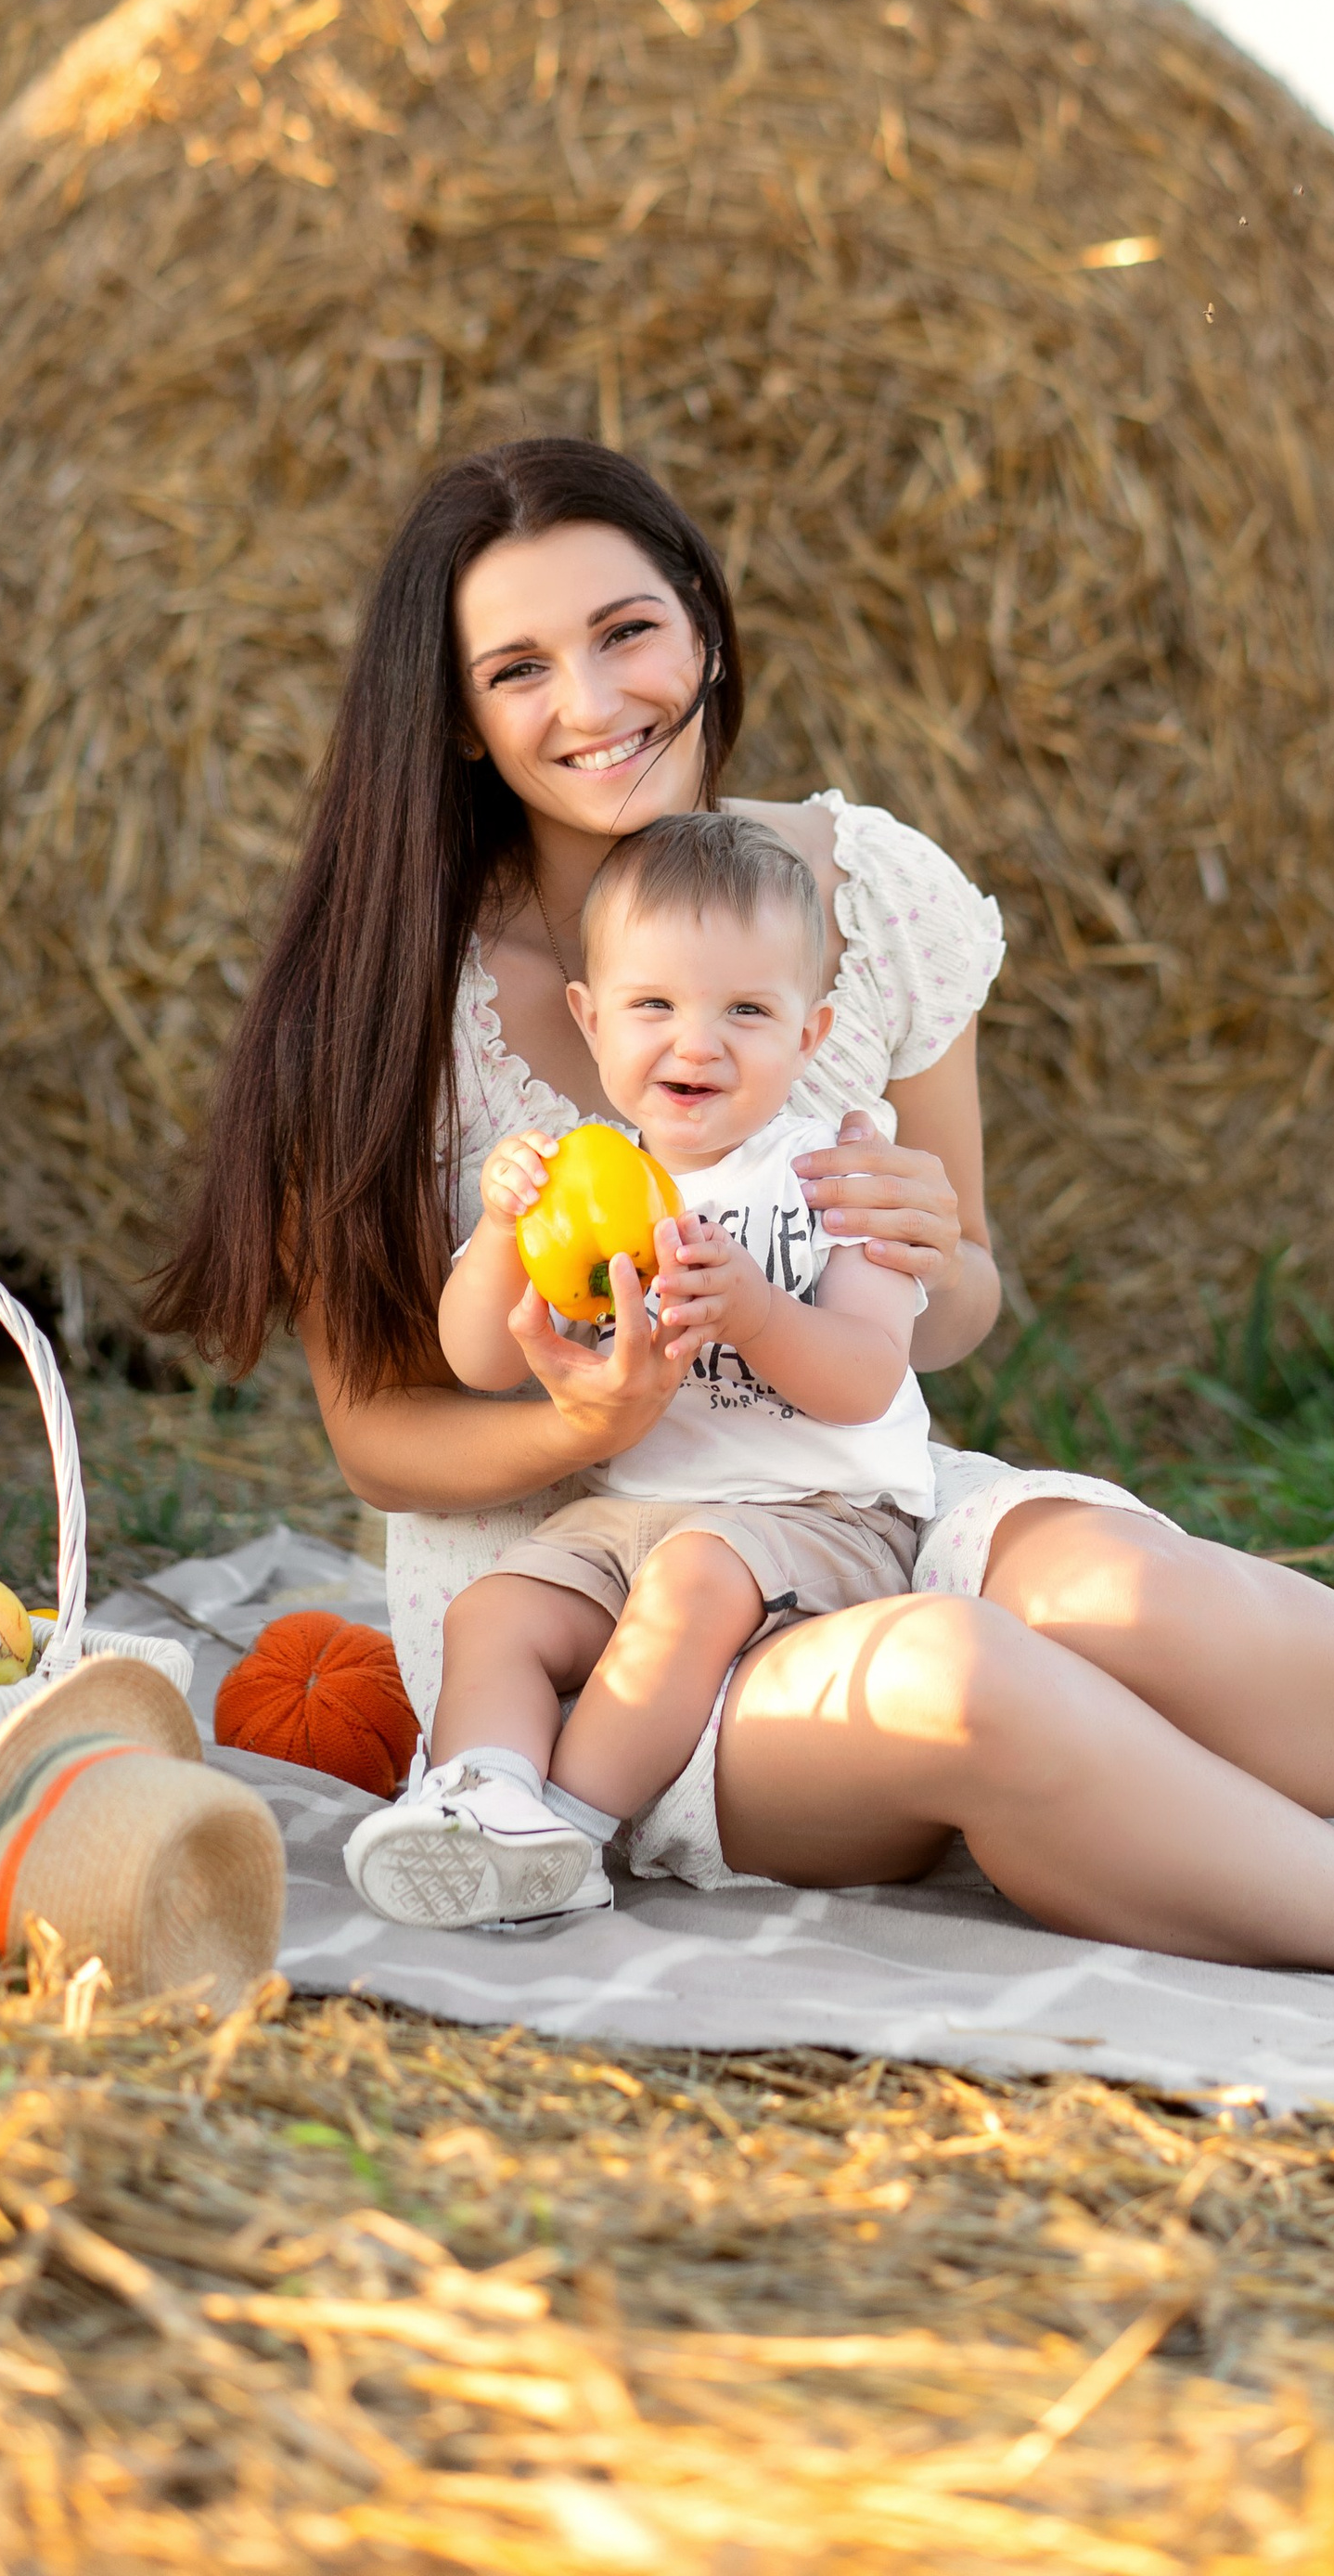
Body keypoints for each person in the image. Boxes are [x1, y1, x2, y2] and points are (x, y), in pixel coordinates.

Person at [153, 436, 1334, 1992]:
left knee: (1118, 1581)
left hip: (842, 1494)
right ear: (459, 720)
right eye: (519, 667)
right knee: (959, 1676)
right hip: (580, 1633)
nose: (593, 700)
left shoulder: (866, 894)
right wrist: (584, 1421)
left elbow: (958, 1311)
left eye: (628, 631)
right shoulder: (383, 997)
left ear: (704, 625)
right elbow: (380, 1436)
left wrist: (923, 1247)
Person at [351, 810, 930, 1929]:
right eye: (653, 1005)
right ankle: (478, 1799)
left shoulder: (830, 1178)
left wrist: (758, 1313)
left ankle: (565, 1834)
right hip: (632, 1516)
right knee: (494, 1611)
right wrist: (503, 1231)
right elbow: (476, 1360)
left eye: (745, 1011)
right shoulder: (586, 1176)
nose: (696, 1045)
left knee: (692, 1580)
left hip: (816, 1515)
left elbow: (865, 1378)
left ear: (809, 1035)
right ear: (590, 1018)